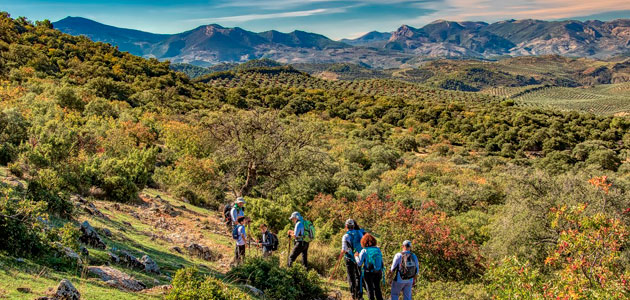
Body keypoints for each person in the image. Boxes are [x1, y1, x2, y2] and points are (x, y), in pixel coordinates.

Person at [341, 219, 364, 300]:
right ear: (354, 226)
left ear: (346, 226)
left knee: (351, 276)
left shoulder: (346, 236)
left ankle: (353, 295)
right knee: (358, 276)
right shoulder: (359, 233)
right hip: (359, 257)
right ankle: (360, 295)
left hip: (349, 258)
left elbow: (344, 249)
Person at [356, 233, 384, 300]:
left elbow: (359, 263)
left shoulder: (364, 250)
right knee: (377, 288)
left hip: (368, 273)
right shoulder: (378, 249)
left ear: (363, 242)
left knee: (370, 289)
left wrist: (356, 256)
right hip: (378, 271)